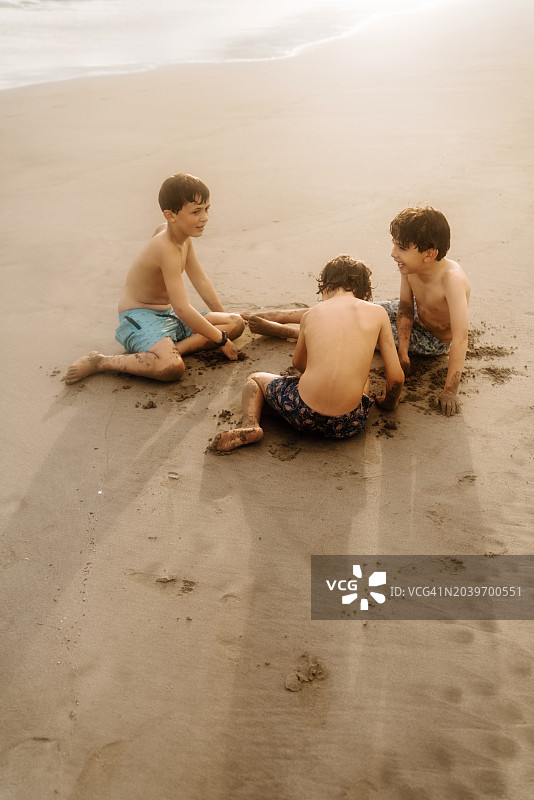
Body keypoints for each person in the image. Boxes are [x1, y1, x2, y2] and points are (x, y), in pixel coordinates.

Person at [241, 206, 470, 416]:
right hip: (417, 315)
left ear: (429, 254)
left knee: (360, 329)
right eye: (394, 244)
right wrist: (402, 352)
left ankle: (289, 332)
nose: (392, 252)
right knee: (350, 308)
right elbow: (406, 309)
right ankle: (279, 315)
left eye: (401, 247)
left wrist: (450, 390)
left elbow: (460, 339)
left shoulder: (452, 279)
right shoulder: (409, 268)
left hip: (434, 338)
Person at [209, 256, 404, 453]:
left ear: (325, 286)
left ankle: (250, 424)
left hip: (302, 415)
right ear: (364, 291)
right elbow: (396, 378)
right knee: (363, 380)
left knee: (255, 380)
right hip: (350, 424)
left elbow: (298, 362)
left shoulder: (311, 314)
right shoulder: (378, 313)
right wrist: (388, 404)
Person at [65, 173, 244, 384]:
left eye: (207, 209)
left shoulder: (181, 237)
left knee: (235, 323)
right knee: (172, 368)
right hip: (139, 316)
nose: (204, 217)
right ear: (170, 215)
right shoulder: (165, 247)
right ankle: (101, 361)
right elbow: (183, 308)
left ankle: (171, 348)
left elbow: (200, 280)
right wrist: (220, 339)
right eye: (196, 211)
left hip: (168, 315)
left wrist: (221, 326)